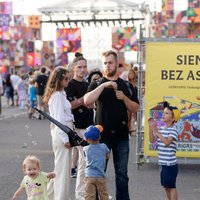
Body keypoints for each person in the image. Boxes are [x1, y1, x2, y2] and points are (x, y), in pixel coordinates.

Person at [84, 50, 139, 200]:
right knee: (96, 173)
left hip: (121, 136)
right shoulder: (96, 83)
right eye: (105, 63)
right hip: (101, 138)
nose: (108, 66)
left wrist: (124, 99)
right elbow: (87, 101)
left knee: (122, 174)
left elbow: (136, 108)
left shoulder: (126, 85)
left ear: (117, 63)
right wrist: (103, 85)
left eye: (110, 62)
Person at [65, 52, 94, 200]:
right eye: (80, 67)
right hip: (78, 127)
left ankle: (87, 192)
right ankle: (80, 194)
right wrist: (85, 100)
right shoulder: (70, 85)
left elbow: (90, 103)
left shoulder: (87, 84)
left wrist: (91, 103)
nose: (83, 70)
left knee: (89, 160)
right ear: (73, 69)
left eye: (85, 67)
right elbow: (69, 105)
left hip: (90, 125)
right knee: (83, 161)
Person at [43, 66, 74, 200]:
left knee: (60, 168)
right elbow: (58, 119)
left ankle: (48, 196)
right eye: (66, 78)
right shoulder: (57, 96)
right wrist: (65, 138)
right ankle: (60, 198)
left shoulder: (60, 94)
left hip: (63, 130)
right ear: (59, 80)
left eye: (69, 78)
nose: (68, 81)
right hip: (63, 131)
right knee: (63, 171)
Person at [148, 101, 181, 200]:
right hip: (163, 164)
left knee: (171, 186)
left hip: (170, 164)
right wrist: (151, 128)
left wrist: (156, 132)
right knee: (166, 186)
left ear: (173, 118)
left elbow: (167, 142)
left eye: (166, 113)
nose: (163, 114)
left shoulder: (173, 130)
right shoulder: (161, 129)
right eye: (164, 112)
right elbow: (152, 140)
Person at [83, 125, 110, 200]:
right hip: (100, 175)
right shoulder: (104, 147)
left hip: (89, 176)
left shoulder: (86, 149)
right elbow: (108, 155)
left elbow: (85, 158)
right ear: (99, 137)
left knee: (89, 196)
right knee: (104, 195)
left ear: (87, 139)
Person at [127, 68, 138, 135]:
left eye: (132, 73)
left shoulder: (137, 83)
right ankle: (129, 130)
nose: (131, 75)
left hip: (136, 102)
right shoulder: (127, 83)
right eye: (130, 73)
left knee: (137, 117)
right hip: (129, 102)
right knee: (129, 118)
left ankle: (136, 129)